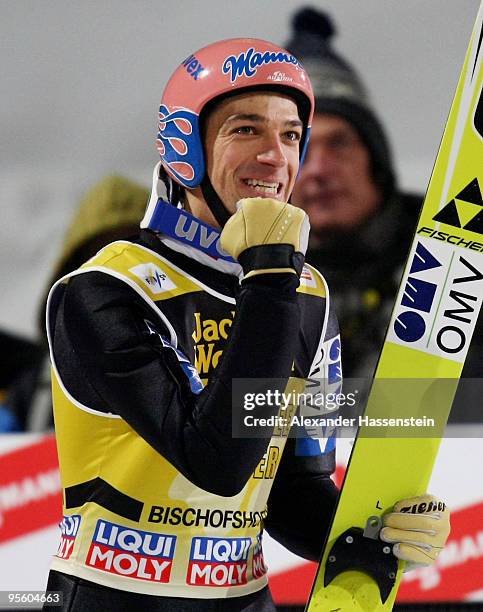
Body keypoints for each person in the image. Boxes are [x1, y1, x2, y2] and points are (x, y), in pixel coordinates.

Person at [43, 38, 450, 611]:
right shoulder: (105, 289)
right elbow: (217, 462)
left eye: (289, 135)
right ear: (184, 148)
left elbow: (292, 489)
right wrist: (267, 276)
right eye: (245, 130)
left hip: (245, 598)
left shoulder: (306, 293)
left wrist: (369, 534)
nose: (275, 156)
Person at [285, 8, 423, 380]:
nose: (317, 170)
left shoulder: (459, 256)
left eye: (339, 143)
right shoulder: (226, 275)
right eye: (299, 149)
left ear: (375, 162)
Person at [6, 175, 149, 431]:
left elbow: (246, 433)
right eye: (100, 258)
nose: (116, 275)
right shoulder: (35, 392)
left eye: (133, 254)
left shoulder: (223, 349)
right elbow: (8, 461)